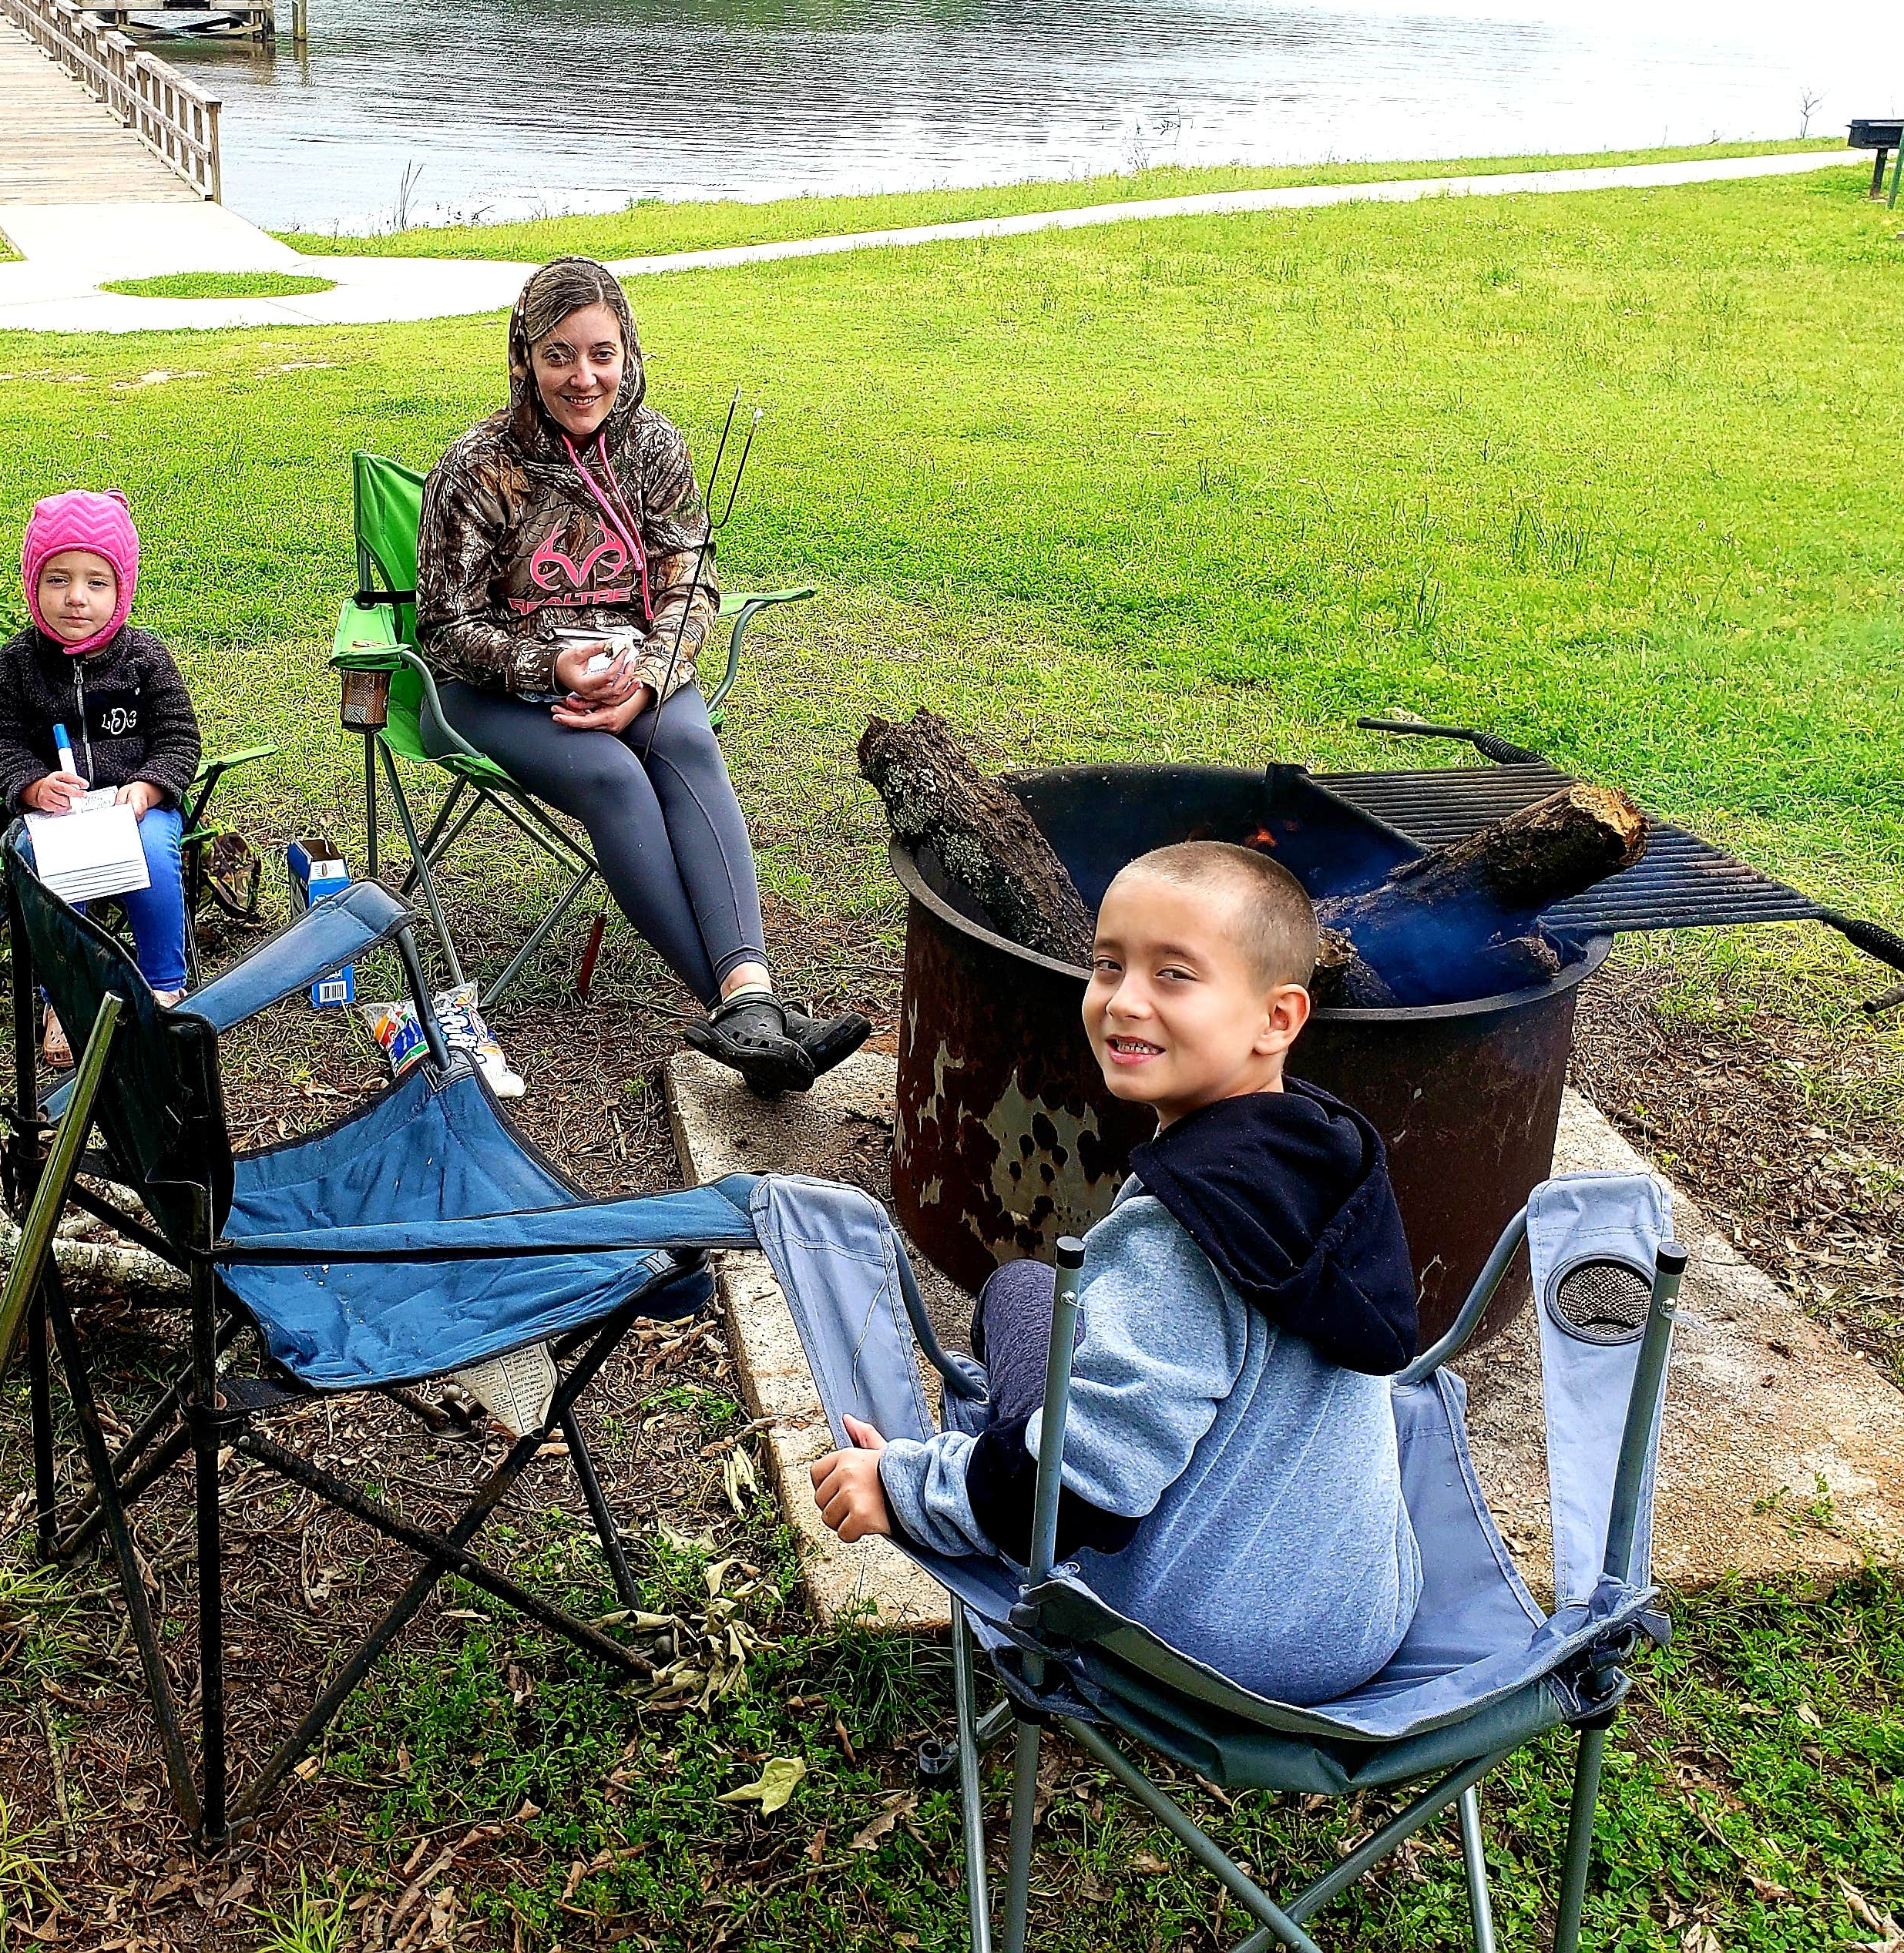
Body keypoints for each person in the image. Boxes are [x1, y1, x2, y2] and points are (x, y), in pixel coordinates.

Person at [808, 841, 1424, 1706]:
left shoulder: (1178, 1238)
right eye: (1108, 965)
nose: (1125, 1000)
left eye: (1174, 974)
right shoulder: (1324, 1156)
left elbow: (1081, 1493)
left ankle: (985, 1459)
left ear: (1277, 1019)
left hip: (1199, 1645)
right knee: (1050, 1307)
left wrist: (905, 1488)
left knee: (1019, 1295)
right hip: (1360, 1616)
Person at [415, 257, 868, 1095]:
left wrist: (650, 679)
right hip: (494, 690)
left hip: (634, 668)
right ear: (523, 358)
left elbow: (690, 577)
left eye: (602, 354)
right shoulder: (475, 467)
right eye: (558, 355)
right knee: (614, 778)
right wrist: (548, 663)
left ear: (628, 351)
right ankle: (750, 1017)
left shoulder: (653, 446)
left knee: (686, 741)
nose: (583, 377)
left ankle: (750, 999)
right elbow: (444, 628)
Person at [0, 490, 200, 1059]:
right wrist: (33, 785)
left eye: (97, 582)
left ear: (122, 590)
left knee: (154, 856)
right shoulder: (16, 664)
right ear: (32, 584)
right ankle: (64, 998)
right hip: (55, 816)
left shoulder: (146, 659)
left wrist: (148, 787)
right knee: (47, 868)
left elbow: (180, 738)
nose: (76, 598)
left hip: (135, 809)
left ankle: (163, 987)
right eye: (58, 580)